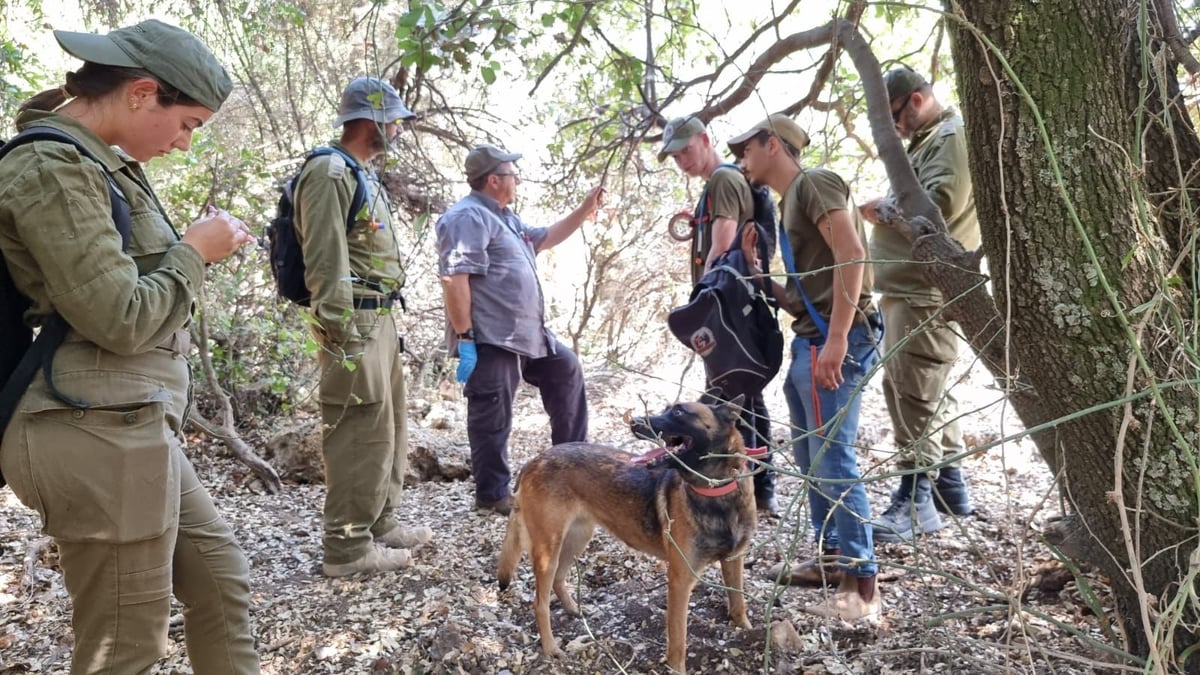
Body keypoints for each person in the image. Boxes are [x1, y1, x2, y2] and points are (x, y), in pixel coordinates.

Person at [0, 20, 259, 673]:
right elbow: (118, 316)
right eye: (189, 123)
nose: (184, 142)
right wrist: (194, 252)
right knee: (125, 648)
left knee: (219, 581)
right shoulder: (52, 163)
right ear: (143, 92)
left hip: (132, 420)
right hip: (90, 426)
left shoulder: (102, 161)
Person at [728, 114, 883, 620]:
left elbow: (852, 253)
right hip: (812, 339)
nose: (741, 159)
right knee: (812, 457)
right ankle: (830, 558)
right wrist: (756, 272)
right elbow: (801, 297)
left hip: (835, 340)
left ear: (772, 144)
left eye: (746, 148)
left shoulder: (813, 183)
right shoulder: (789, 200)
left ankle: (861, 589)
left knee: (833, 458)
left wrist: (838, 338)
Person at [292, 76, 431, 577]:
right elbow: (324, 261)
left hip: (381, 318)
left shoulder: (360, 173)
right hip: (354, 324)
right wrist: (340, 333)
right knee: (359, 433)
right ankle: (347, 550)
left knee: (389, 428)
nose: (397, 128)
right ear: (370, 120)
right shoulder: (329, 173)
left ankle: (379, 524)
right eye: (392, 119)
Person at [436, 144, 603, 516]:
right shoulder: (467, 218)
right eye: (512, 173)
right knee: (492, 412)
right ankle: (492, 494)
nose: (518, 179)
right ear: (494, 180)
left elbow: (546, 236)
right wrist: (466, 338)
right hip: (491, 336)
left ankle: (574, 470)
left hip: (528, 335)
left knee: (566, 370)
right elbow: (455, 278)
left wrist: (584, 208)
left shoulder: (505, 217)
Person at [858, 66, 981, 542]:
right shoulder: (932, 138)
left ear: (915, 100)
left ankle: (915, 502)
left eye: (895, 116)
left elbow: (937, 210)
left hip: (923, 288)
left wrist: (881, 211)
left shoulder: (950, 138)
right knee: (928, 387)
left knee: (912, 391)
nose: (896, 130)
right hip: (912, 286)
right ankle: (951, 486)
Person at [658, 115, 780, 515]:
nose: (682, 161)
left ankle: (759, 485)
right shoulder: (719, 183)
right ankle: (753, 482)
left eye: (686, 151)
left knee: (739, 393)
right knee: (736, 391)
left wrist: (701, 298)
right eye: (675, 157)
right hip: (728, 304)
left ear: (705, 140)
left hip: (726, 304)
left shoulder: (724, 180)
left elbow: (723, 244)